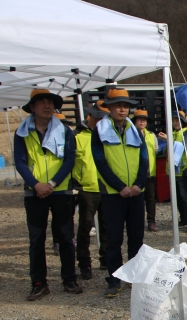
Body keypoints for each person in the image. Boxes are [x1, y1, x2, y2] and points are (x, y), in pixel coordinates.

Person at [14, 89, 82, 300]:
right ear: (32, 107)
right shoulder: (22, 132)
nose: (47, 106)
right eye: (41, 102)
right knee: (36, 239)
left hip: (59, 190)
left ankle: (69, 279)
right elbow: (20, 162)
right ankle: (39, 282)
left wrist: (52, 184)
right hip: (34, 192)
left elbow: (69, 160)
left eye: (50, 102)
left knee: (65, 236)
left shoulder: (64, 131)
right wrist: (36, 184)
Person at [92, 88, 148, 297]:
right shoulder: (100, 131)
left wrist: (138, 184)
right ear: (110, 108)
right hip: (113, 195)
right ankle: (114, 279)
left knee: (137, 237)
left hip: (135, 193)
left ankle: (134, 276)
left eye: (125, 106)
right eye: (118, 105)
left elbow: (144, 160)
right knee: (114, 239)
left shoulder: (136, 131)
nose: (123, 109)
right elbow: (100, 162)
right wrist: (120, 187)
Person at [73, 100, 109, 279]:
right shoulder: (77, 135)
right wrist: (75, 184)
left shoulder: (107, 133)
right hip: (86, 188)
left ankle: (105, 259)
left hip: (106, 186)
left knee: (107, 226)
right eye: (99, 117)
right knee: (86, 227)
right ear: (91, 116)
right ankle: (84, 263)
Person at [161, 110, 187, 227]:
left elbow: (181, 149)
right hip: (173, 171)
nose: (175, 123)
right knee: (177, 198)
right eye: (173, 121)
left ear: (182, 121)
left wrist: (169, 141)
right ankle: (183, 219)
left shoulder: (186, 134)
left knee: (184, 197)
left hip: (183, 171)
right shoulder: (172, 134)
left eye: (177, 120)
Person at [132, 109, 159, 232]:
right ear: (135, 121)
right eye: (139, 119)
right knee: (137, 199)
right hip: (136, 172)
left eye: (144, 119)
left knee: (151, 198)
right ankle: (137, 222)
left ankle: (151, 221)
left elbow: (156, 150)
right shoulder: (131, 134)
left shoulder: (152, 135)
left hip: (150, 172)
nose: (142, 121)